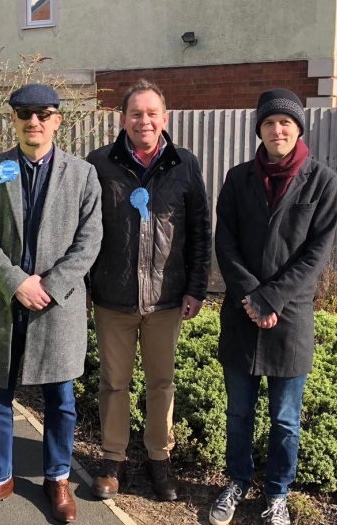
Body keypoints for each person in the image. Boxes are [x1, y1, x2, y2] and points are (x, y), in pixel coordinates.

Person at [0, 84, 103, 523]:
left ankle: (57, 477)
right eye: (24, 113)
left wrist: (50, 286)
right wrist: (17, 282)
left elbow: (90, 240)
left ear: (58, 120)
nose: (33, 121)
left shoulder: (82, 175)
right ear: (14, 120)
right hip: (1, 301)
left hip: (56, 306)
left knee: (60, 398)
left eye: (42, 113)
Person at [209, 88, 337, 525]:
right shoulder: (238, 178)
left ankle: (277, 493)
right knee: (238, 412)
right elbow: (224, 242)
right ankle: (237, 480)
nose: (276, 129)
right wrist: (251, 295)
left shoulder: (322, 182)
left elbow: (316, 253)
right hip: (242, 315)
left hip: (290, 318)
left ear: (298, 128)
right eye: (268, 123)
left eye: (284, 122)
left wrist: (272, 298)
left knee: (285, 420)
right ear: (259, 131)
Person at [85, 79, 211, 501]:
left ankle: (160, 459)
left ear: (165, 118)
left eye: (151, 113)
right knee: (113, 383)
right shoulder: (99, 164)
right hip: (112, 296)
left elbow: (199, 231)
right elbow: (85, 231)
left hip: (167, 298)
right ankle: (113, 459)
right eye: (136, 113)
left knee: (162, 383)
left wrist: (196, 287)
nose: (144, 121)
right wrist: (86, 285)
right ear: (123, 119)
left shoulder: (185, 164)